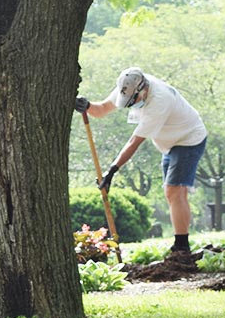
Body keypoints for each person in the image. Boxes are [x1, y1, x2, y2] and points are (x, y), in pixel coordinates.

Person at [76, 67, 207, 254]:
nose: (130, 105)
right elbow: (102, 109)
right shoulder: (127, 86)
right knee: (174, 192)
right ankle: (183, 244)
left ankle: (181, 246)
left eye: (133, 102)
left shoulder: (159, 101)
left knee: (173, 190)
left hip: (188, 139)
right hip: (170, 143)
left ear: (143, 89)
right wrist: (87, 105)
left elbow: (134, 142)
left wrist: (111, 171)